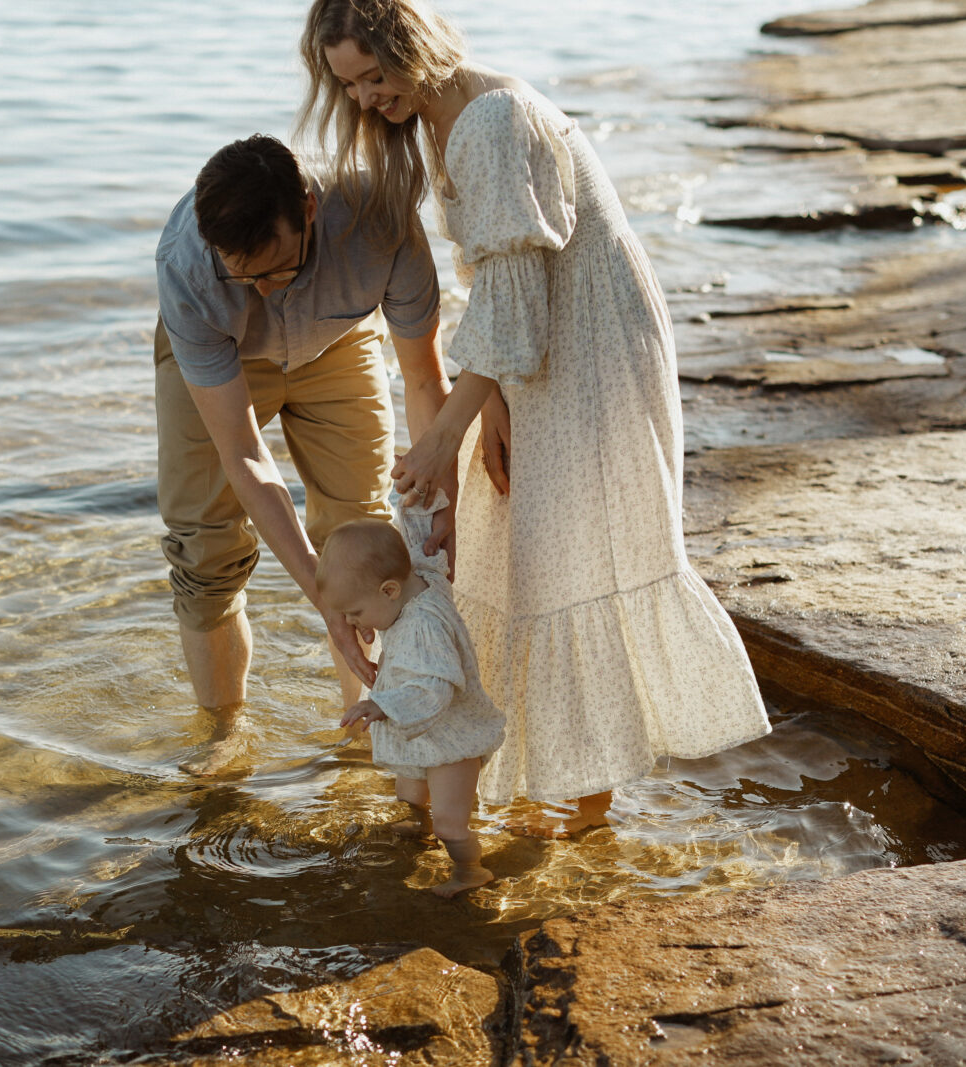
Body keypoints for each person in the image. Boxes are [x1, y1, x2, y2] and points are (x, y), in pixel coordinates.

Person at [300, 0, 771, 835]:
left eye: (377, 75)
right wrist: (498, 404)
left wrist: (445, 434)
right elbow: (505, 291)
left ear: (417, 47)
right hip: (533, 350)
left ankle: (589, 807)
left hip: (589, 348)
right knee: (517, 552)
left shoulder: (488, 119)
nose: (369, 98)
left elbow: (517, 296)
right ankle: (554, 785)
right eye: (350, 85)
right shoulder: (446, 120)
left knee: (571, 557)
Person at [154, 133, 453, 773]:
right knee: (206, 547)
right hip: (223, 357)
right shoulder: (188, 270)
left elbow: (426, 381)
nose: (260, 289)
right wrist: (323, 598)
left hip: (339, 341)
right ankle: (223, 743)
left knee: (365, 539)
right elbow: (245, 458)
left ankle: (370, 736)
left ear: (310, 210)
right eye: (242, 272)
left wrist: (445, 498)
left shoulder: (380, 217)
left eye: (275, 269)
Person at [323, 496, 504, 897]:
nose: (351, 624)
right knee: (407, 798)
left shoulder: (424, 626)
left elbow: (434, 689)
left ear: (389, 590)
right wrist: (416, 496)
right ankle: (414, 835)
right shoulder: (420, 577)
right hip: (423, 735)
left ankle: (470, 872)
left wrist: (382, 704)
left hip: (452, 739)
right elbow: (424, 543)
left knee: (450, 824)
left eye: (354, 613)